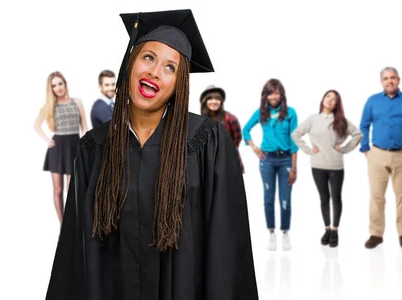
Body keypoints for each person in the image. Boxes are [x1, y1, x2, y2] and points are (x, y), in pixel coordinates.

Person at [45, 9, 258, 300]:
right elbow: (73, 251)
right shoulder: (93, 148)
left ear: (179, 85)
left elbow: (227, 250)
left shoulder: (206, 141)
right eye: (148, 57)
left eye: (171, 67)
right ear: (130, 63)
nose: (155, 72)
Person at [359, 66, 402, 249]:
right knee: (377, 196)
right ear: (381, 81)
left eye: (392, 78)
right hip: (377, 155)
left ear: (399, 80)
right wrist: (366, 149)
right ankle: (376, 234)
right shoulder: (372, 101)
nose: (389, 81)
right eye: (386, 78)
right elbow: (364, 125)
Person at [291, 90, 362, 247]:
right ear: (323, 99)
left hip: (336, 165)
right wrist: (308, 150)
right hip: (317, 165)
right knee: (324, 198)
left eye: (334, 99)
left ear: (337, 104)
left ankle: (335, 230)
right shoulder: (313, 119)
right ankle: (327, 229)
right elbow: (295, 134)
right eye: (328, 97)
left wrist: (343, 149)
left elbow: (358, 135)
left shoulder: (340, 120)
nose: (330, 100)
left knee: (336, 198)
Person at [242, 78, 299, 251]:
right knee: (268, 198)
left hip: (286, 160)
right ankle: (271, 233)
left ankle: (285, 233)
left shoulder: (290, 112)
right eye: (270, 93)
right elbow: (246, 130)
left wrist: (294, 168)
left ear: (281, 94)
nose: (273, 96)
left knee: (285, 199)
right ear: (265, 96)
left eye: (276, 92)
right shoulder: (261, 113)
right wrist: (254, 148)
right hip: (267, 160)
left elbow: (294, 140)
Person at [34, 71, 88, 224]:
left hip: (74, 146)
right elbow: (36, 125)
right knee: (58, 190)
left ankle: (72, 222)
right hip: (58, 149)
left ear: (65, 84)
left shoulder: (76, 102)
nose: (58, 87)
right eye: (54, 85)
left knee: (72, 189)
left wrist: (84, 144)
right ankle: (62, 224)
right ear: (51, 88)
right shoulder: (49, 106)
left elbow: (84, 126)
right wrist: (47, 140)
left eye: (60, 83)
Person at [199, 84, 244, 173]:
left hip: (229, 161)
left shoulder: (230, 118)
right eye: (210, 99)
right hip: (209, 163)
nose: (214, 101)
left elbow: (237, 139)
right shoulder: (201, 120)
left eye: (217, 99)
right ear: (205, 101)